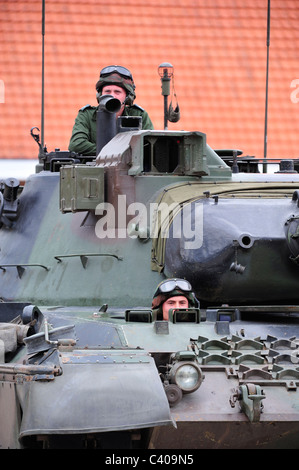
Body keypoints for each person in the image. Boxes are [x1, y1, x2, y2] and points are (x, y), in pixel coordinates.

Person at [69, 65, 154, 156]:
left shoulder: (139, 115)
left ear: (127, 97)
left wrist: (107, 151)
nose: (112, 96)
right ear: (100, 95)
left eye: (117, 92)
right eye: (107, 91)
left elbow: (151, 146)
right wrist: (116, 152)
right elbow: (76, 144)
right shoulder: (87, 115)